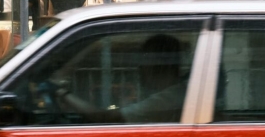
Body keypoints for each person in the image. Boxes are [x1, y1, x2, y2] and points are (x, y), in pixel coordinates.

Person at [55, 34, 188, 124]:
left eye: (144, 61)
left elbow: (105, 118)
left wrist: (63, 94)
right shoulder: (177, 91)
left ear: (158, 64)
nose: (139, 68)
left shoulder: (166, 100)